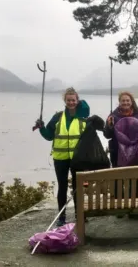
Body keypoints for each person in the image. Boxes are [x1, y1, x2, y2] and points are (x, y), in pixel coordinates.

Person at [34, 87, 90, 227]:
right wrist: (41, 127)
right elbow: (48, 136)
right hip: (60, 158)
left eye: (73, 100)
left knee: (78, 187)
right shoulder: (58, 117)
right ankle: (62, 216)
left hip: (78, 158)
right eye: (68, 100)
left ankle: (80, 215)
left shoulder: (83, 116)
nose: (71, 102)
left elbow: (86, 109)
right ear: (64, 101)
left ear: (77, 101)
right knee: (62, 186)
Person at [104, 91, 138, 221]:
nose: (125, 103)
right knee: (118, 179)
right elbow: (107, 135)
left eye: (128, 100)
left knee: (134, 179)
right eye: (123, 100)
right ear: (119, 102)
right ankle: (120, 208)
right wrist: (110, 126)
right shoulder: (113, 115)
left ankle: (134, 209)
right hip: (117, 151)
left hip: (134, 152)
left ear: (131, 101)